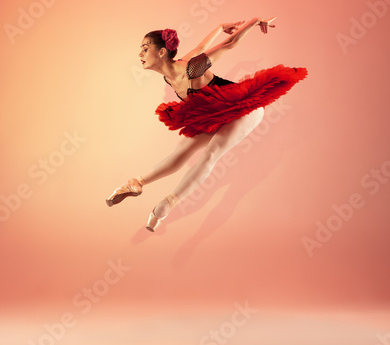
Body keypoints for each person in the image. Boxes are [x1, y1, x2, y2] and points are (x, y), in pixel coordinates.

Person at [106, 17, 307, 232]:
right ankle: (136, 183)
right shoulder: (171, 74)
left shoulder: (192, 68)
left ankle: (166, 205)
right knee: (181, 152)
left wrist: (254, 21)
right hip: (214, 112)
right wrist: (220, 27)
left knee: (211, 154)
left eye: (145, 48)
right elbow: (201, 46)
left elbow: (229, 45)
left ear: (162, 52)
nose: (140, 54)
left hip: (243, 109)